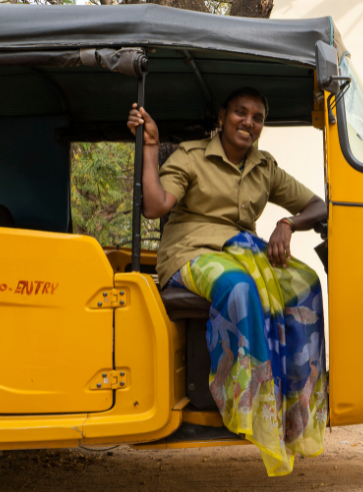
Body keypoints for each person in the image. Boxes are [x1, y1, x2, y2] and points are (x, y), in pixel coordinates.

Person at [127, 87, 327, 476]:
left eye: (257, 118)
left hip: (245, 252)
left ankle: (294, 405)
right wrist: (150, 146)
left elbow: (316, 206)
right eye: (241, 112)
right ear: (222, 116)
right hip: (191, 253)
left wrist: (288, 223)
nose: (248, 122)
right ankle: (246, 404)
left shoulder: (264, 167)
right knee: (238, 286)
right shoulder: (192, 156)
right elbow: (155, 206)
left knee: (305, 283)